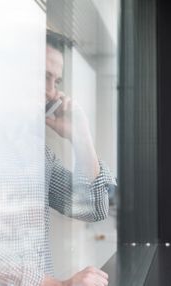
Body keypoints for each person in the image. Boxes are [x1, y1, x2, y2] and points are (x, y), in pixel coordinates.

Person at [40, 30, 116, 286]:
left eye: (57, 81)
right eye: (43, 77)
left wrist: (81, 139)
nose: (52, 93)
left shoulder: (38, 156)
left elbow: (93, 208)